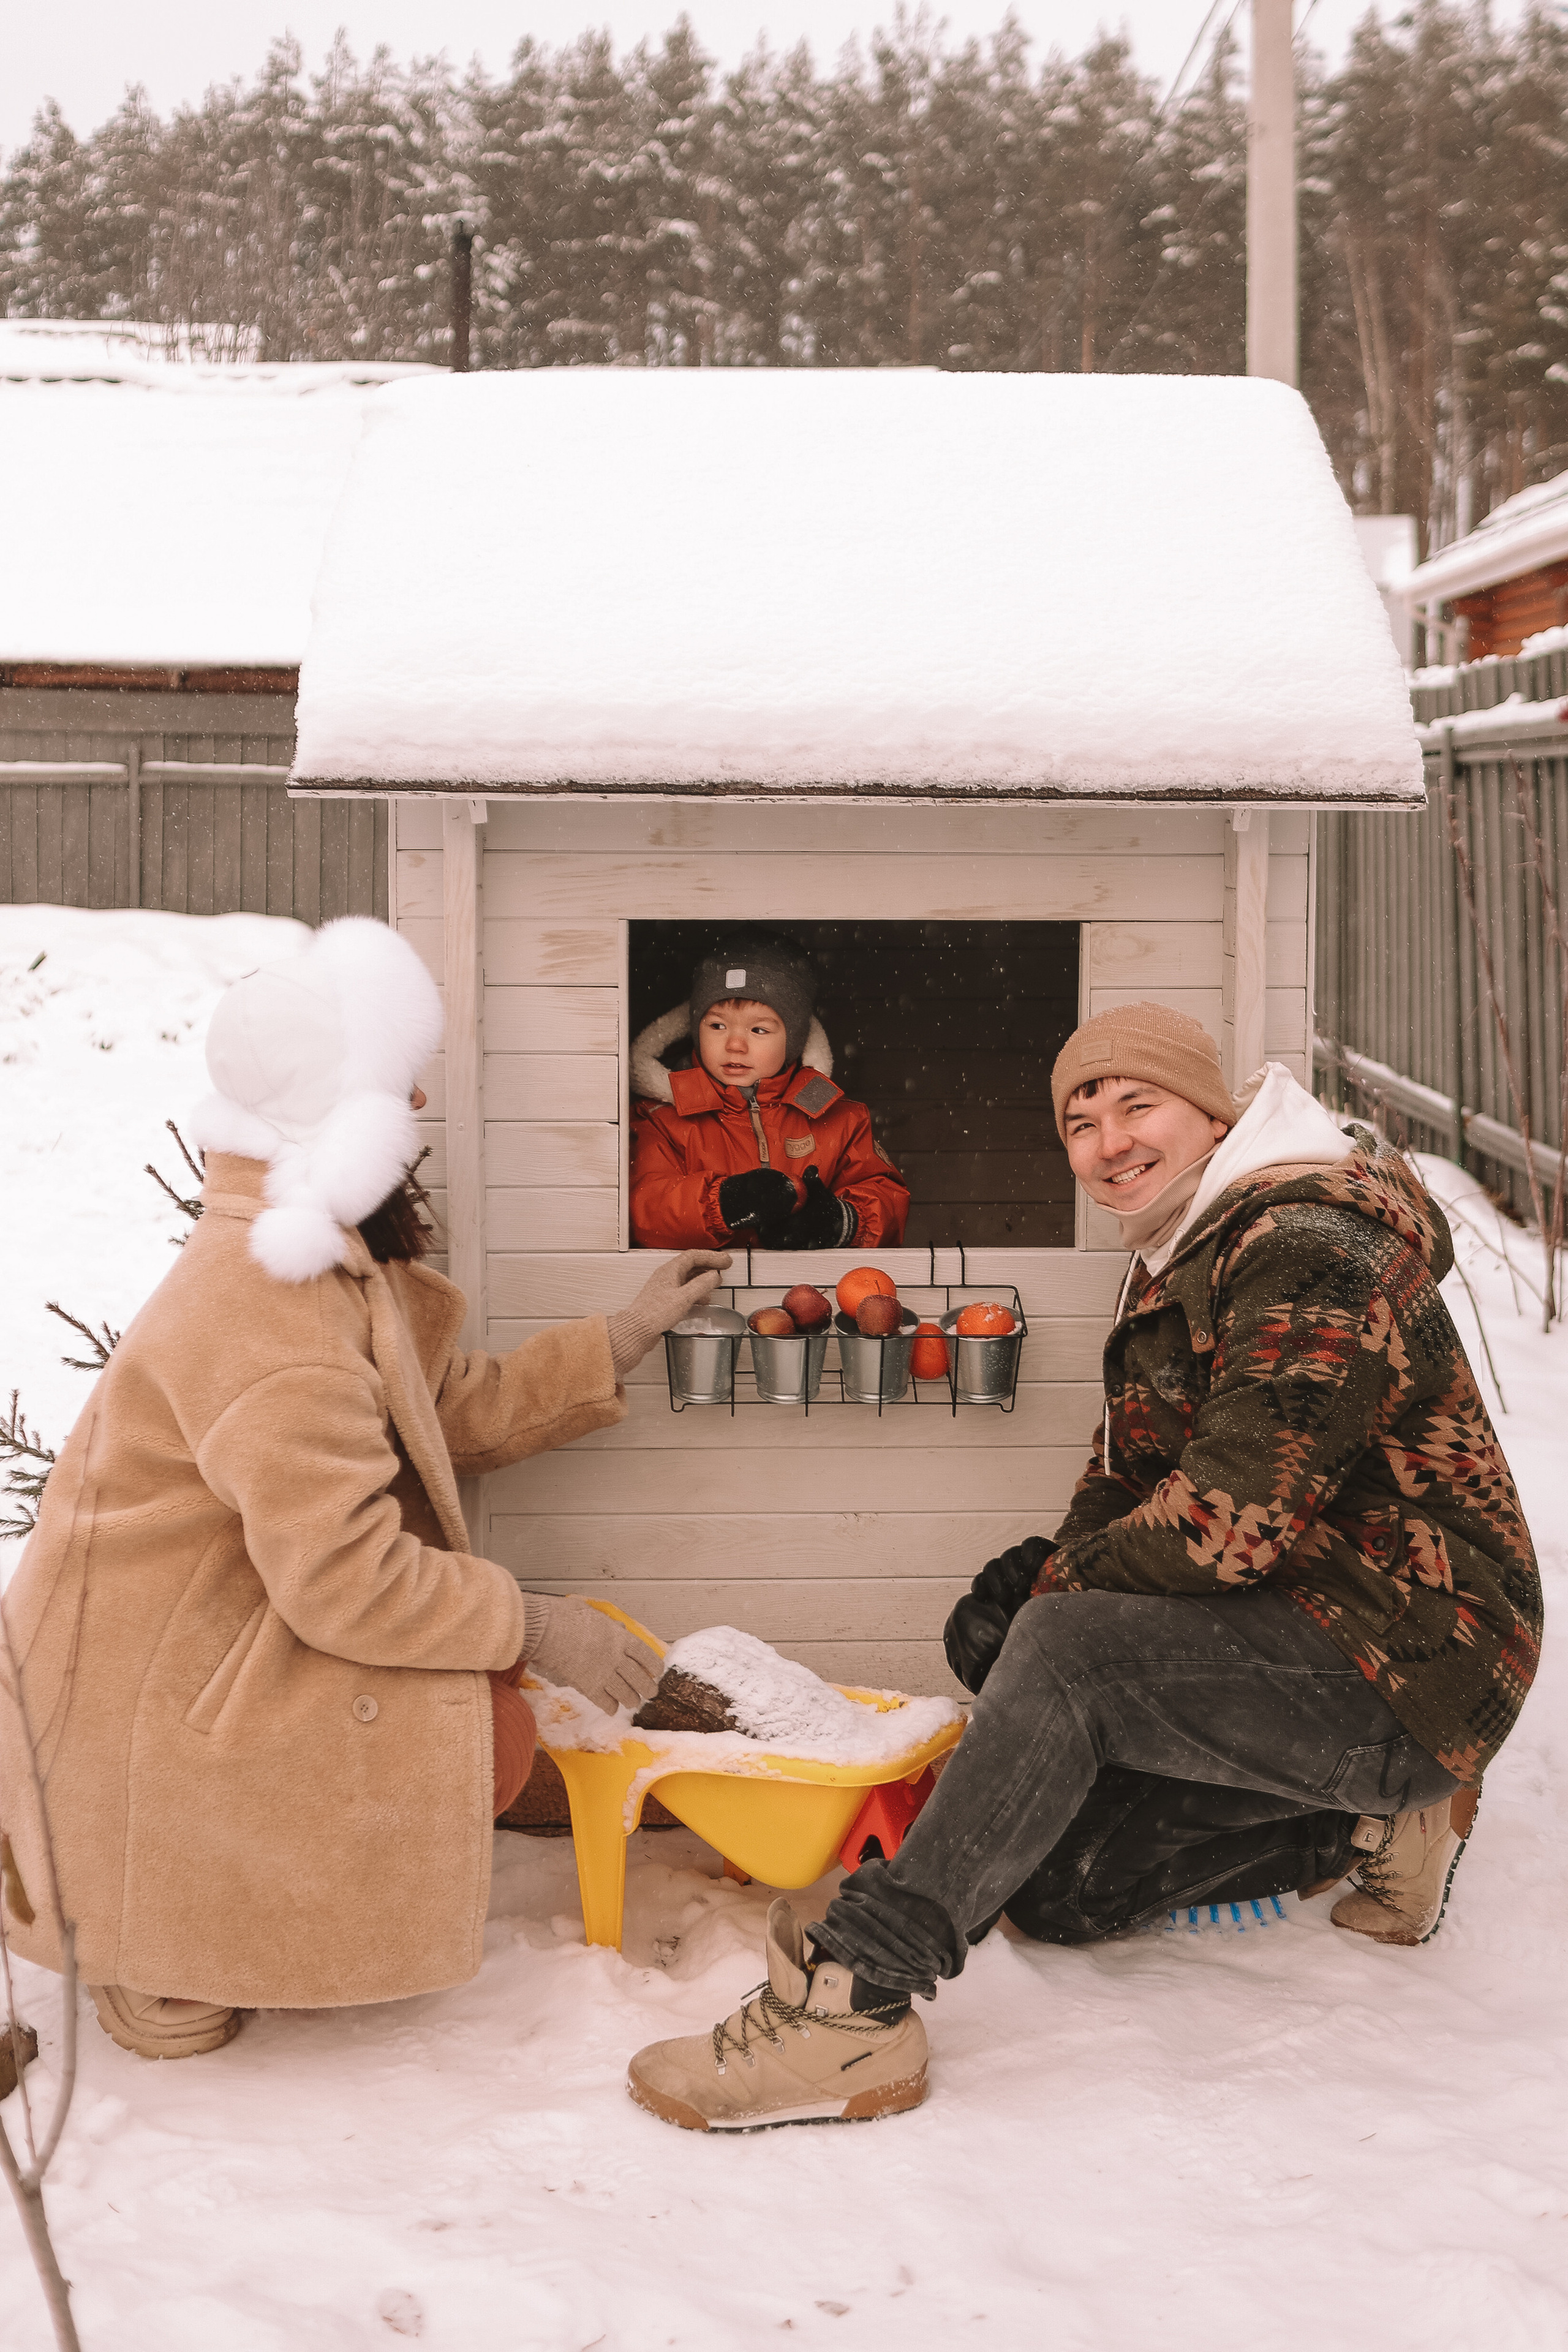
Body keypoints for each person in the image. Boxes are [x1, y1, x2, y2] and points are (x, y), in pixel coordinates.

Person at [625, 1002, 1542, 2131]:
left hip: (1415, 1658)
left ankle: (854, 2003)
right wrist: (1053, 1571)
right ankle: (1363, 1827)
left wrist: (1059, 1604)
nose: (1109, 1142)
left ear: (1214, 1114)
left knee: (1062, 1652)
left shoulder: (1313, 1247)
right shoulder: (1180, 1250)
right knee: (1058, 1887)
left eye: (1136, 1105)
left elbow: (1226, 1526)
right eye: (1080, 1120)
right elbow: (1129, 1473)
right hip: (1292, 1625)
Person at [0, 918, 728, 2059]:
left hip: (193, 1642)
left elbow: (433, 1418)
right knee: (455, 1711)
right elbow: (345, 1581)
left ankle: (207, 1891)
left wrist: (619, 1339)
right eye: (399, 1091)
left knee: (473, 1707)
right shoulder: (273, 1309)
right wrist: (539, 1628)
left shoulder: (305, 1257)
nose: (424, 1112)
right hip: (153, 1698)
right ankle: (161, 1938)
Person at [628, 935, 909, 1251]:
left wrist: (839, 1221)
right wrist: (727, 1203)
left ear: (794, 1039)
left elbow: (886, 1199)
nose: (735, 1045)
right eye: (718, 1026)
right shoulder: (661, 1118)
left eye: (758, 1030)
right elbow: (645, 1208)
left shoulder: (841, 1119)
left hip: (817, 1291)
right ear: (695, 1029)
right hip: (711, 1290)